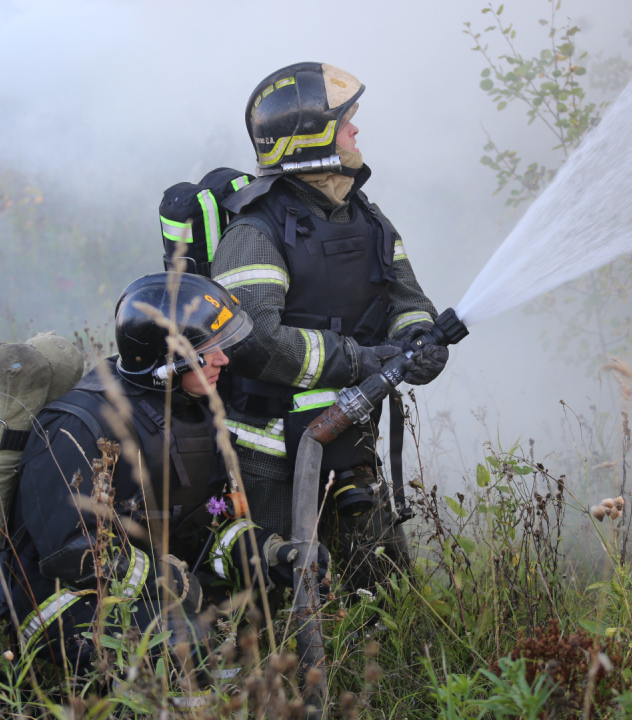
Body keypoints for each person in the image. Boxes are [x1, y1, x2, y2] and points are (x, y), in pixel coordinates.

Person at [0, 272, 322, 702]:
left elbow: (210, 519)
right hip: (53, 595)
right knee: (187, 653)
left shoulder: (194, 413)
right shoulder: (77, 427)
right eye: (208, 352)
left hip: (145, 582)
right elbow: (71, 551)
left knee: (251, 608)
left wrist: (269, 553)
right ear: (167, 363)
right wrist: (162, 577)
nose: (224, 361)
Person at [212, 63, 449, 595]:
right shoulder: (253, 231)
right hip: (268, 456)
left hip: (349, 437)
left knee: (384, 591)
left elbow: (406, 300)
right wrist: (366, 361)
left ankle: (387, 671)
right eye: (346, 122)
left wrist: (421, 341)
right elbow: (254, 341)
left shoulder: (367, 217)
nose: (356, 131)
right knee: (280, 597)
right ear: (310, 138)